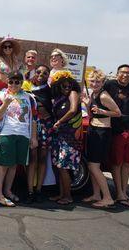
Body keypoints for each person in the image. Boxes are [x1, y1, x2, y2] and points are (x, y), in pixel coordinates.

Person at [0, 71, 38, 207]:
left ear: (22, 83)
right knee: (3, 164)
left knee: (13, 165)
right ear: (7, 81)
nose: (14, 84)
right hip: (6, 133)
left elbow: (34, 119)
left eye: (17, 82)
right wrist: (5, 104)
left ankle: (7, 191)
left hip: (23, 134)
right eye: (11, 81)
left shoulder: (29, 98)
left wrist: (33, 137)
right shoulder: (0, 95)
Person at [81, 69, 121, 209]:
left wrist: (103, 111)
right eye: (92, 81)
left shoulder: (103, 95)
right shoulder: (93, 94)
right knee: (93, 167)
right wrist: (87, 103)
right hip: (94, 129)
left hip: (102, 132)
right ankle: (96, 194)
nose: (95, 83)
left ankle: (108, 198)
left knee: (94, 166)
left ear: (103, 82)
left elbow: (117, 113)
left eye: (98, 81)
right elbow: (92, 113)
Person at [104, 64, 129, 207]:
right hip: (116, 129)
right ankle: (119, 193)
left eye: (128, 73)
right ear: (117, 73)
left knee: (127, 163)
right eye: (122, 72)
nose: (125, 75)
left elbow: (128, 106)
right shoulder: (109, 85)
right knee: (117, 162)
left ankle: (124, 192)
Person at [49, 70, 82, 205]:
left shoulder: (73, 94)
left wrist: (60, 121)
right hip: (60, 135)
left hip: (70, 137)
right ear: (58, 86)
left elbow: (73, 110)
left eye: (69, 85)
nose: (67, 88)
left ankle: (68, 196)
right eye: (64, 86)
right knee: (58, 166)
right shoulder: (58, 98)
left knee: (64, 167)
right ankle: (61, 194)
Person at [25, 65, 54, 203]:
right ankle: (30, 191)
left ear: (49, 75)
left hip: (47, 125)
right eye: (38, 72)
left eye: (45, 72)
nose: (41, 74)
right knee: (32, 158)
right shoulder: (27, 89)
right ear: (34, 74)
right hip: (32, 126)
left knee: (43, 158)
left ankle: (39, 190)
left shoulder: (51, 91)